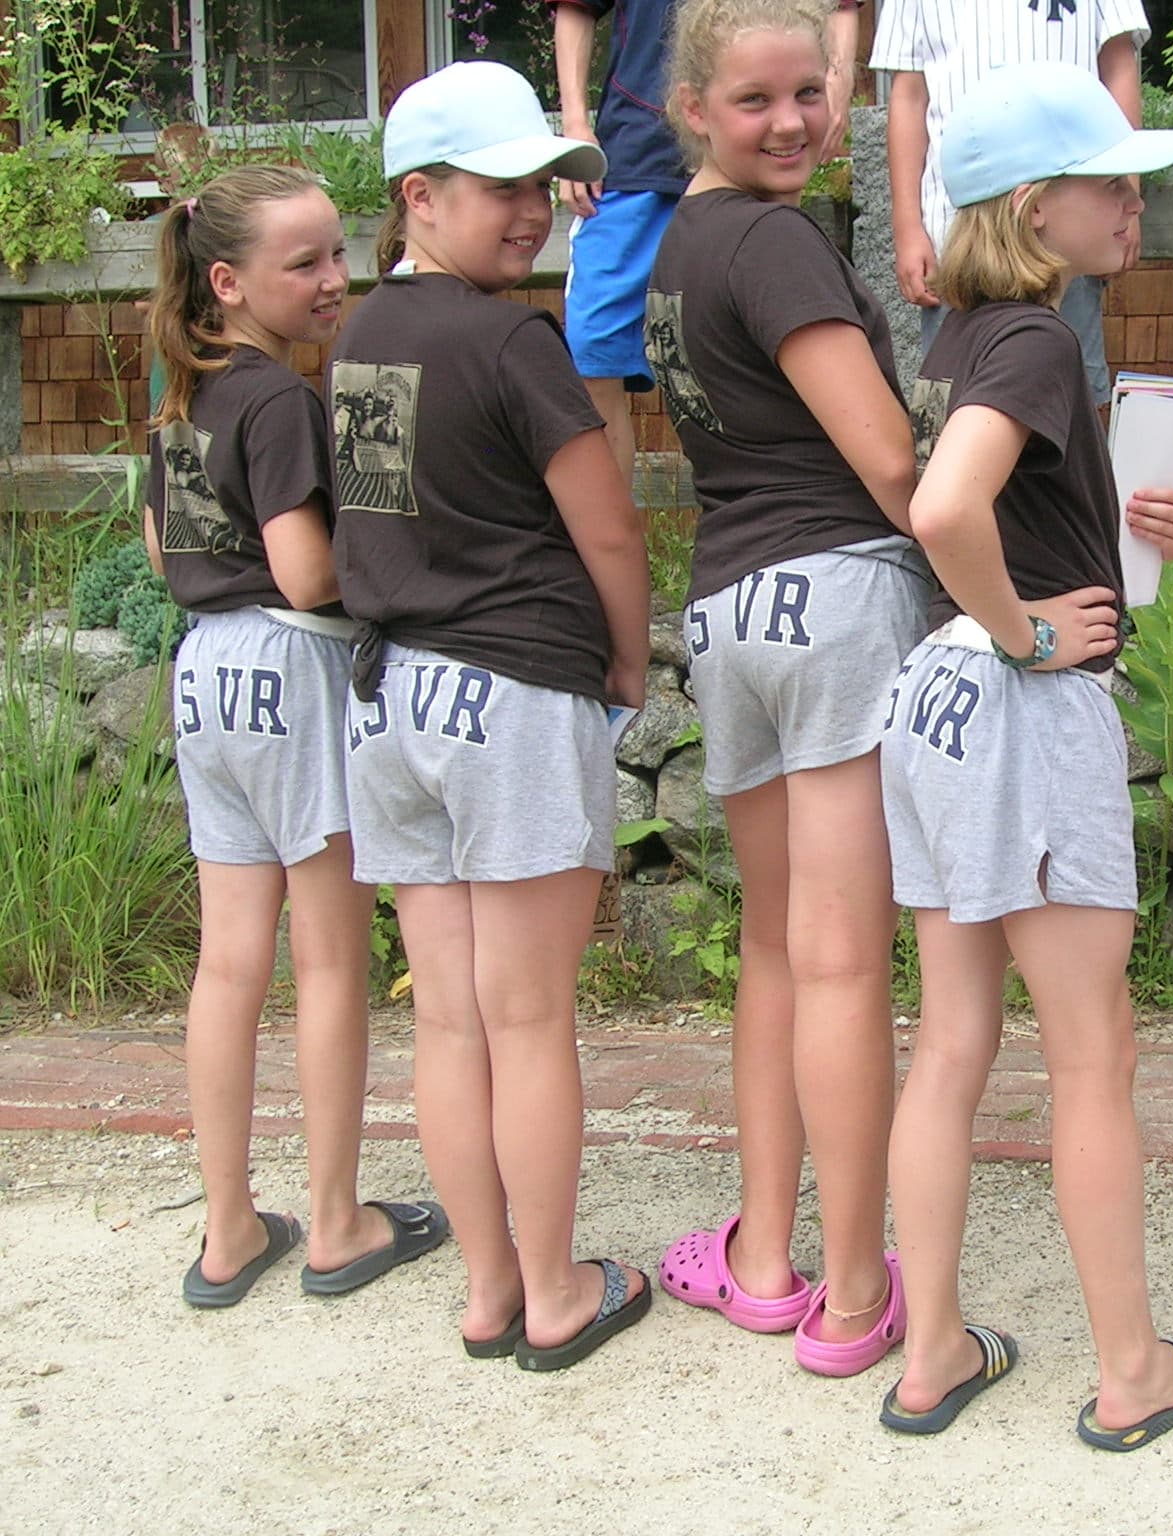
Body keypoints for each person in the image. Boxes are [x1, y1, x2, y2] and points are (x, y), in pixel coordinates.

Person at [876, 60, 1173, 1449]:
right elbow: (944, 507)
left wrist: (1109, 521)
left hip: (935, 706)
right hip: (1015, 706)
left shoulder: (960, 339)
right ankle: (1133, 1370)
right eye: (1112, 181)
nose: (1135, 203)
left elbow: (973, 498)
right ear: (1035, 205)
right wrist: (1026, 632)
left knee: (953, 1039)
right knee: (1091, 1057)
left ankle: (932, 1351)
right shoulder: (1030, 339)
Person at [332, 60, 653, 1371]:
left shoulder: (355, 336)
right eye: (503, 188)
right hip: (511, 690)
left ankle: (486, 1287)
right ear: (420, 194)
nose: (533, 211)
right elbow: (610, 529)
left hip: (390, 701)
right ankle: (558, 1290)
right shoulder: (515, 339)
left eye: (544, 186)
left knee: (452, 1020)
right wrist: (627, 665)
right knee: (526, 1020)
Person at [643, 0, 919, 1377]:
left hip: (731, 609)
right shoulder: (774, 240)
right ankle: (861, 1295)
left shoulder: (678, 245)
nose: (795, 120)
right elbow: (888, 457)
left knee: (773, 948)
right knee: (842, 961)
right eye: (755, 100)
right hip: (837, 604)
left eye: (811, 90)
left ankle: (761, 1258)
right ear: (692, 108)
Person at [145, 166, 451, 1309]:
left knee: (230, 959)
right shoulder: (278, 400)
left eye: (337, 255)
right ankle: (335, 1219)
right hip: (289, 664)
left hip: (205, 673)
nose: (335, 282)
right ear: (228, 281)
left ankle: (229, 1229)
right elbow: (306, 568)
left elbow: (155, 537)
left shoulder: (183, 392)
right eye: (306, 264)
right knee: (327, 958)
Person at [550, 0, 865, 484]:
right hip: (636, 155)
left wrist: (835, 87)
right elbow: (576, 8)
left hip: (759, 152)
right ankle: (612, 553)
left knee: (772, 348)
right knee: (593, 355)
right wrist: (575, 124)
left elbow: (842, 7)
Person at [870, 0, 1148, 403]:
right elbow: (910, 95)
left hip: (1071, 226)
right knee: (952, 399)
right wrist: (907, 227)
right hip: (956, 230)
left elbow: (1119, 67)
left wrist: (1125, 192)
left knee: (1074, 397)